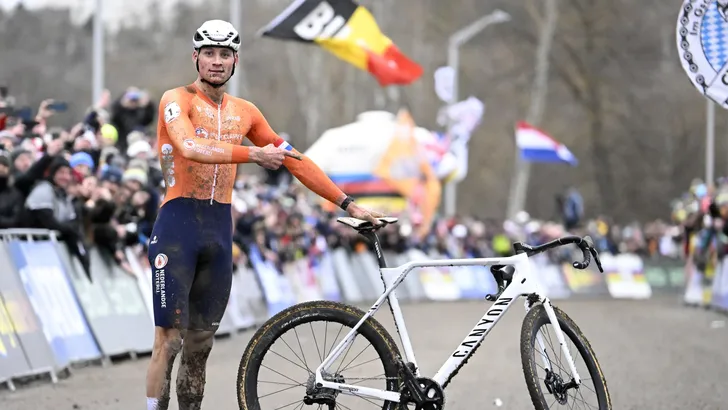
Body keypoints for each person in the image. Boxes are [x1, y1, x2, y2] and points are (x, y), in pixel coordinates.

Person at [145, 19, 383, 410]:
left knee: (200, 347)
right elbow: (187, 146)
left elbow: (295, 159)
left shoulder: (246, 113)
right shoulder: (177, 99)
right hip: (177, 227)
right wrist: (252, 153)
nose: (216, 62)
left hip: (219, 232)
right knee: (167, 340)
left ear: (235, 60)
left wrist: (348, 203)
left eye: (224, 55)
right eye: (209, 54)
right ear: (196, 57)